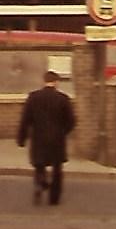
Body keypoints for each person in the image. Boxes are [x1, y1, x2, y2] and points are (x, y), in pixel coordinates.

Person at [17, 70, 76, 206]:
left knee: (39, 164)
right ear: (56, 82)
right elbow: (71, 121)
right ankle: (54, 198)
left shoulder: (33, 97)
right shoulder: (63, 98)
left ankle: (40, 182)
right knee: (57, 169)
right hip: (57, 139)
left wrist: (22, 138)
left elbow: (25, 120)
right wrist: (63, 132)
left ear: (44, 81)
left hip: (38, 138)